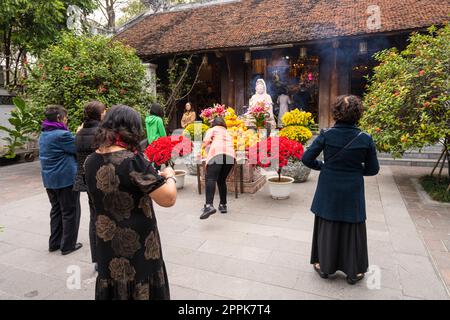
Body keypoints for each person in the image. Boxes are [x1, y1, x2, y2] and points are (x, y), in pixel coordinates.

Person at [84, 105, 177, 300]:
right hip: (139, 248)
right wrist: (170, 177)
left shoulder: (90, 161)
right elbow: (168, 198)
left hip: (106, 244)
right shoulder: (133, 160)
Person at [302, 95, 380, 285]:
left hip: (329, 185)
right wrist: (355, 171)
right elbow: (373, 169)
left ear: (336, 112)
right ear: (358, 114)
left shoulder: (326, 135)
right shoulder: (365, 138)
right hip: (352, 187)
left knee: (328, 223)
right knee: (352, 225)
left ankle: (325, 267)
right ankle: (353, 272)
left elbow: (306, 158)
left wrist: (323, 166)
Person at [39, 105, 82, 255]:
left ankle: (54, 243)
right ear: (59, 118)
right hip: (65, 179)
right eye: (65, 117)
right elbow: (77, 148)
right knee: (70, 211)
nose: (66, 120)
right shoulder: (62, 135)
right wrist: (78, 134)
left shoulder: (43, 134)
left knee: (56, 210)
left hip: (49, 179)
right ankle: (68, 245)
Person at [73, 101, 106, 270]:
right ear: (100, 114)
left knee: (94, 217)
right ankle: (106, 255)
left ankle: (96, 260)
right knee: (105, 216)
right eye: (104, 111)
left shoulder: (79, 132)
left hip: (85, 180)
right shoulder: (101, 132)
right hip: (102, 179)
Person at [200, 117, 236, 220]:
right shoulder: (228, 133)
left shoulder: (212, 130)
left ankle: (208, 206)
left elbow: (206, 141)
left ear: (214, 124)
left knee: (210, 178)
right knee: (221, 180)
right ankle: (223, 205)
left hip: (217, 153)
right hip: (230, 156)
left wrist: (200, 149)